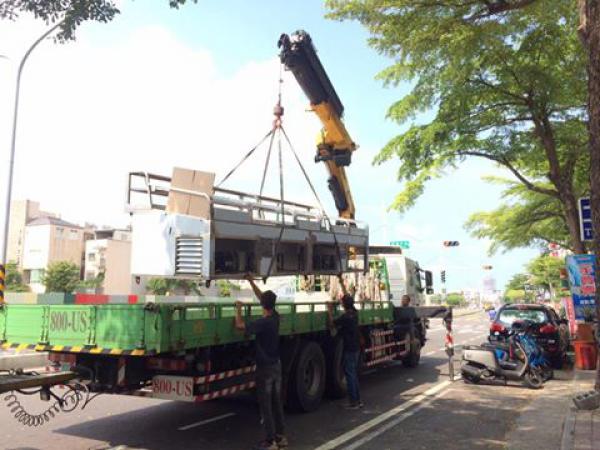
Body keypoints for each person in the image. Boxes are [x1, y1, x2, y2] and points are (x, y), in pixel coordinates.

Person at [235, 276, 287, 450]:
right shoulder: (276, 318)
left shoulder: (263, 323)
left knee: (265, 405)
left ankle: (270, 441)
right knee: (276, 402)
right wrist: (251, 282)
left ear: (263, 306)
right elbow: (263, 299)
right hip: (276, 365)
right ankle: (281, 437)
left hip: (265, 369)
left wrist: (238, 309)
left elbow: (240, 325)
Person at [327, 294, 363, 409]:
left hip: (349, 348)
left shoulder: (346, 317)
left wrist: (329, 310)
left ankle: (353, 402)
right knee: (353, 374)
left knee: (350, 374)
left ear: (345, 304)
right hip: (356, 347)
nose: (341, 304)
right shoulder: (354, 314)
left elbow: (332, 324)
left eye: (342, 302)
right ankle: (358, 400)